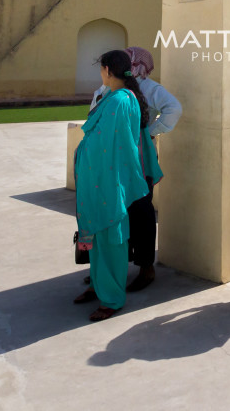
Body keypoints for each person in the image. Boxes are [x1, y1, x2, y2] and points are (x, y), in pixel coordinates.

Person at [88, 46, 181, 292]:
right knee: (115, 213)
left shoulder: (147, 89)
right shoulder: (109, 89)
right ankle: (107, 266)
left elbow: (174, 109)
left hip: (138, 159)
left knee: (140, 213)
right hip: (111, 161)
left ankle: (145, 267)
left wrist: (148, 132)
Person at [73, 50, 151, 321]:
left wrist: (83, 155)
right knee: (98, 239)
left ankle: (113, 298)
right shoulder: (120, 97)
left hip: (109, 180)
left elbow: (103, 144)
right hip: (103, 180)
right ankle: (99, 287)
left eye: (100, 70)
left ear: (107, 70)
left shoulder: (119, 100)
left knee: (111, 240)